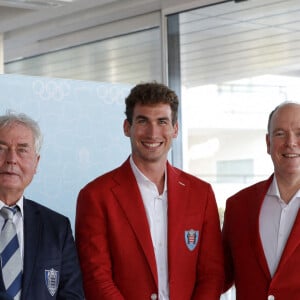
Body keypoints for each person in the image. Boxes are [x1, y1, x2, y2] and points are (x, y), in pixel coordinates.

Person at [75, 82, 224, 300]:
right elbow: (96, 277)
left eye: (162, 121)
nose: (153, 132)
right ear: (127, 127)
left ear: (175, 129)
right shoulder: (96, 196)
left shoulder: (201, 194)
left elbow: (212, 274)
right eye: (143, 121)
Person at [0, 111, 84, 300]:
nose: (11, 159)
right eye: (1, 148)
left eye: (22, 150)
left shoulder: (57, 227)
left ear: (36, 163)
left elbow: (72, 295)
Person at [222, 101, 300, 299]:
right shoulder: (238, 206)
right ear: (268, 143)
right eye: (280, 133)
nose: (290, 142)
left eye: (299, 133)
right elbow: (217, 276)